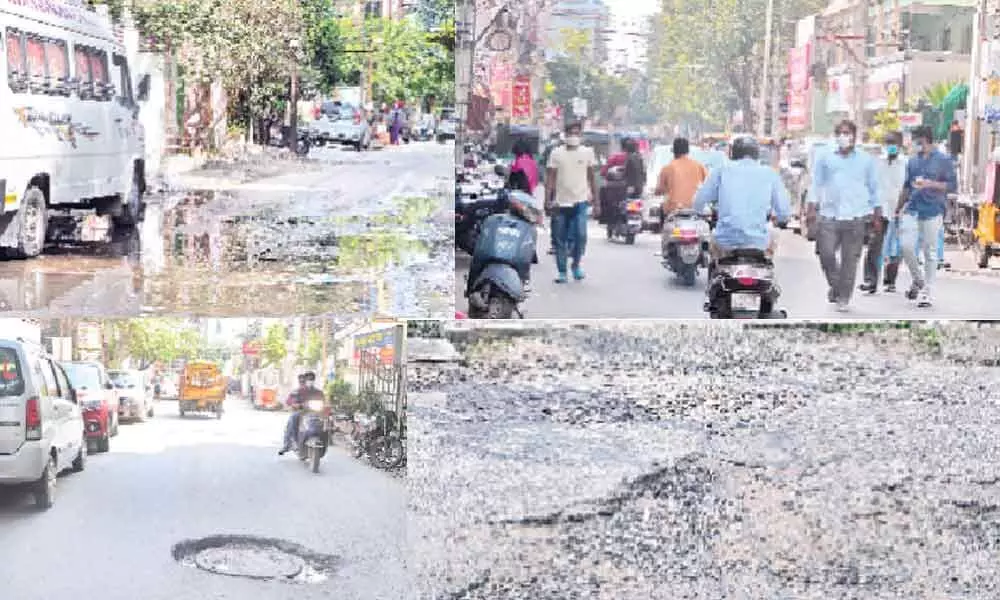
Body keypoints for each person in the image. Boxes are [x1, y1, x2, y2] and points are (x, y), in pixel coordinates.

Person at [809, 119, 882, 312]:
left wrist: (877, 213)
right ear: (836, 136)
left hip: (856, 216)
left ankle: (843, 297)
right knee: (826, 255)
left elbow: (874, 188)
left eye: (847, 133)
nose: (844, 136)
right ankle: (836, 285)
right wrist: (811, 208)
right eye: (840, 133)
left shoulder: (866, 160)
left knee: (850, 260)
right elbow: (816, 184)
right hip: (829, 215)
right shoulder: (825, 157)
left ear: (854, 137)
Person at [693, 135, 791, 261]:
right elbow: (783, 210)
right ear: (756, 153)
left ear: (733, 153)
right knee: (772, 240)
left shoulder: (721, 171)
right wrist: (782, 220)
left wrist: (698, 212)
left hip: (725, 240)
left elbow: (700, 199)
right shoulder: (770, 173)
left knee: (712, 252)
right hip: (758, 242)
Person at [896, 125, 957, 307]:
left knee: (929, 251)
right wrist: (898, 208)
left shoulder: (943, 160)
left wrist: (930, 184)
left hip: (933, 210)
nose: (915, 144)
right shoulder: (913, 161)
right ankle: (918, 279)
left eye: (918, 141)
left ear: (926, 139)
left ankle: (927, 292)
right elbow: (907, 186)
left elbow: (952, 186)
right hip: (912, 208)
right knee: (906, 247)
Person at [545, 121, 597, 283]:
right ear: (565, 135)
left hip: (580, 202)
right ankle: (562, 271)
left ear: (580, 135)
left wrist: (597, 201)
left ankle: (576, 265)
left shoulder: (587, 153)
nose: (573, 136)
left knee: (581, 236)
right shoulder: (556, 153)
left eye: (576, 133)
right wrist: (547, 200)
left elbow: (592, 177)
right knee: (560, 239)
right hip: (560, 203)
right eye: (571, 133)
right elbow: (551, 179)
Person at [860, 131, 906, 294]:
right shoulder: (876, 164)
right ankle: (870, 281)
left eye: (893, 143)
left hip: (900, 212)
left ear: (900, 145)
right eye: (888, 143)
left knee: (896, 249)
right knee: (874, 246)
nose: (890, 146)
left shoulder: (905, 164)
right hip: (880, 211)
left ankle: (890, 279)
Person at [655, 137, 708, 233]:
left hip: (673, 208)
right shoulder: (698, 166)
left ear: (674, 151)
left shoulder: (667, 168)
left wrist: (658, 191)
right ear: (687, 151)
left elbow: (660, 189)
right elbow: (708, 184)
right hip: (695, 207)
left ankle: (664, 237)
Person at [278, 372, 324, 455]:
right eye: (309, 379)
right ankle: (289, 443)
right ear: (305, 380)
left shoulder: (318, 392)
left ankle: (324, 440)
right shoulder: (298, 391)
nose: (310, 381)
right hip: (302, 412)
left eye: (312, 379)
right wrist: (295, 404)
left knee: (326, 421)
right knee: (293, 417)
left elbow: (325, 402)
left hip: (315, 413)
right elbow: (289, 400)